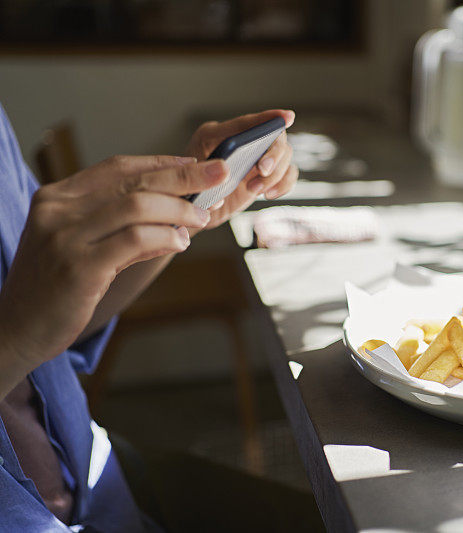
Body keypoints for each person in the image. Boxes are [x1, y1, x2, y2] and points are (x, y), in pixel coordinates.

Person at [0, 104, 317, 531]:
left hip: (98, 477)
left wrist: (181, 216)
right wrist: (15, 339)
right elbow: (26, 332)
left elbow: (58, 328)